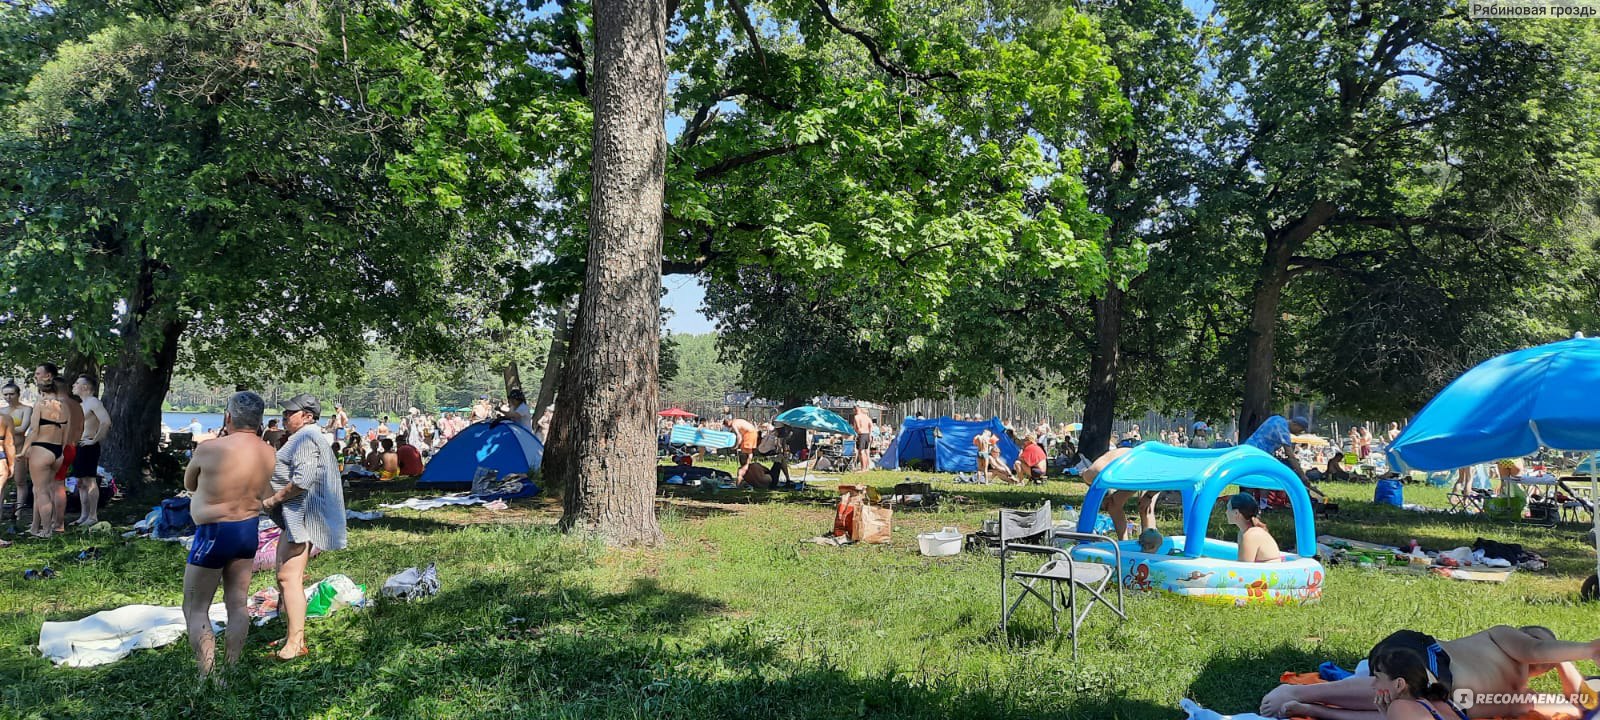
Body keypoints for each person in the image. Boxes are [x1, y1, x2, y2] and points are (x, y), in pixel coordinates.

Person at [1262, 625, 1599, 719]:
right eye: (1539, 636)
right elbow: (1536, 650)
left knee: (1403, 711)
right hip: (1424, 655)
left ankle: (1308, 708)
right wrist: (1583, 650)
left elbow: (1584, 704)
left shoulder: (1521, 694)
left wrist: (1562, 661)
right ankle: (1298, 692)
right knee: (1410, 686)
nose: (1546, 652)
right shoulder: (1506, 637)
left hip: (1438, 694)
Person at [181, 391, 275, 681]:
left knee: (195, 607)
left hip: (213, 531)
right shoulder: (267, 451)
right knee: (237, 602)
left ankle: (207, 675)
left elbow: (189, 482)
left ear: (228, 416)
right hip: (247, 530)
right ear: (259, 421)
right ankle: (231, 667)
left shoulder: (210, 448)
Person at [262, 394, 347, 661]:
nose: (285, 416)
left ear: (308, 416)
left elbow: (304, 478)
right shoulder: (305, 436)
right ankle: (290, 633)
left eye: (290, 413)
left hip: (302, 518)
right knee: (283, 577)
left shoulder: (307, 437)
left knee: (289, 579)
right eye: (285, 413)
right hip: (295, 517)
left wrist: (273, 499)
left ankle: (297, 642)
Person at [19, 364, 73, 538]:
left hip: (41, 449)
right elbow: (66, 432)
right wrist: (62, 451)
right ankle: (36, 527)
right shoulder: (64, 407)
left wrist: (23, 450)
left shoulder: (40, 404)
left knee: (41, 491)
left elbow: (33, 431)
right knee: (43, 490)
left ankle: (47, 531)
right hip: (57, 451)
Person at [70, 375, 111, 526]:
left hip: (89, 446)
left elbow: (105, 421)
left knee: (90, 480)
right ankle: (83, 515)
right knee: (80, 482)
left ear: (85, 387)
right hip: (79, 445)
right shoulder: (82, 404)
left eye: (77, 383)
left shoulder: (93, 402)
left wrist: (94, 439)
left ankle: (93, 516)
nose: (73, 385)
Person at [3, 381, 31, 527]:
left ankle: (18, 512)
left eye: (11, 394)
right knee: (3, 483)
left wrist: (6, 429)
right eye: (5, 394)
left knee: (20, 481)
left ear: (18, 394)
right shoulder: (2, 411)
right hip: (4, 450)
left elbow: (23, 428)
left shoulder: (26, 409)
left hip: (20, 449)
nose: (8, 397)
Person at [1226, 492, 1281, 562]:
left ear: (1236, 513)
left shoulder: (1250, 536)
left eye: (1228, 508)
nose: (1226, 512)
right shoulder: (1243, 533)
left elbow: (1243, 569)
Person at [725, 416, 758, 486]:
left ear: (728, 423)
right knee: (746, 450)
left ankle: (746, 465)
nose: (728, 428)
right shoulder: (737, 420)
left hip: (749, 433)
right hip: (752, 431)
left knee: (747, 451)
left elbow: (739, 436)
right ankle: (746, 465)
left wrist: (736, 446)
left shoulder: (734, 424)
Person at [852, 407, 874, 472]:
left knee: (861, 452)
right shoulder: (867, 417)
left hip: (861, 434)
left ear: (856, 410)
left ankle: (863, 469)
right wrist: (870, 434)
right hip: (867, 434)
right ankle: (867, 468)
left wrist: (856, 434)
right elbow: (871, 425)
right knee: (866, 451)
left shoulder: (857, 417)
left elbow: (857, 427)